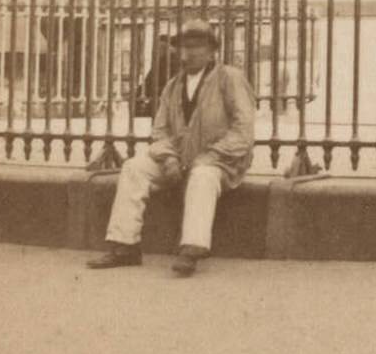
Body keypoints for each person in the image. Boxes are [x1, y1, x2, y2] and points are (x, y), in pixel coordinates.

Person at [87, 19, 256, 278]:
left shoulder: (229, 78)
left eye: (195, 47)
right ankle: (124, 245)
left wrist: (211, 155)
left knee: (202, 176)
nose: (187, 54)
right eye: (183, 47)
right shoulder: (173, 86)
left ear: (212, 51)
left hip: (221, 162)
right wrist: (167, 159)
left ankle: (191, 249)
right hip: (180, 159)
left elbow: (243, 130)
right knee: (133, 168)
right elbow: (160, 131)